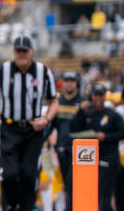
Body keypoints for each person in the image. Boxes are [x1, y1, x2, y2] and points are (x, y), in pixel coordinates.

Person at [0, 35, 59, 211]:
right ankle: (11, 205)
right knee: (9, 174)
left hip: (33, 130)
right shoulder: (2, 71)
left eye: (25, 51)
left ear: (31, 52)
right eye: (19, 51)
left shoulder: (43, 72)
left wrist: (46, 119)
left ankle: (25, 208)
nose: (22, 54)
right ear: (14, 52)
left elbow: (54, 101)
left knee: (29, 175)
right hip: (10, 128)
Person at [70, 84, 124, 211]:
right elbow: (73, 128)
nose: (97, 98)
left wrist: (105, 136)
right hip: (89, 161)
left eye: (100, 95)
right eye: (95, 95)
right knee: (91, 196)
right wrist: (80, 110)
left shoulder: (112, 114)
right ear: (92, 96)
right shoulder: (87, 114)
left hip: (108, 159)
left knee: (104, 195)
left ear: (104, 97)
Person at [50, 71, 87, 211]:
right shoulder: (57, 103)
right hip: (62, 150)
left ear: (76, 83)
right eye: (67, 80)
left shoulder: (83, 101)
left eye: (72, 80)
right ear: (63, 83)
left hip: (81, 150)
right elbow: (50, 125)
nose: (69, 83)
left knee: (76, 185)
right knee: (67, 185)